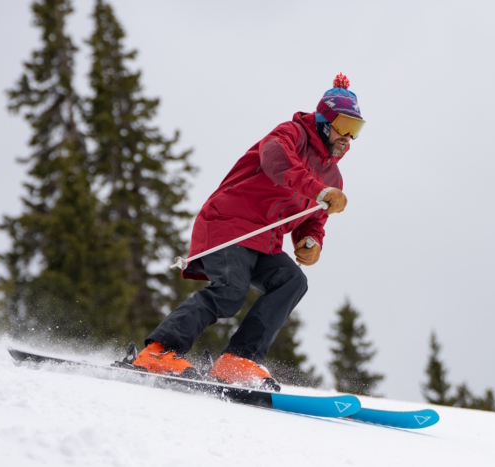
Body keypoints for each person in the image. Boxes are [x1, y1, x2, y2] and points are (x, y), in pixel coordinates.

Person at [132, 73, 365, 390]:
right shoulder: (290, 134)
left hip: (264, 242)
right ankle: (158, 352)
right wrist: (318, 190)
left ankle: (237, 361)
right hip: (230, 223)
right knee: (230, 291)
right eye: (345, 126)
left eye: (356, 130)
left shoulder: (333, 176)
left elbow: (314, 216)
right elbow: (276, 162)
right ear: (325, 119)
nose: (349, 137)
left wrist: (311, 240)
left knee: (292, 281)